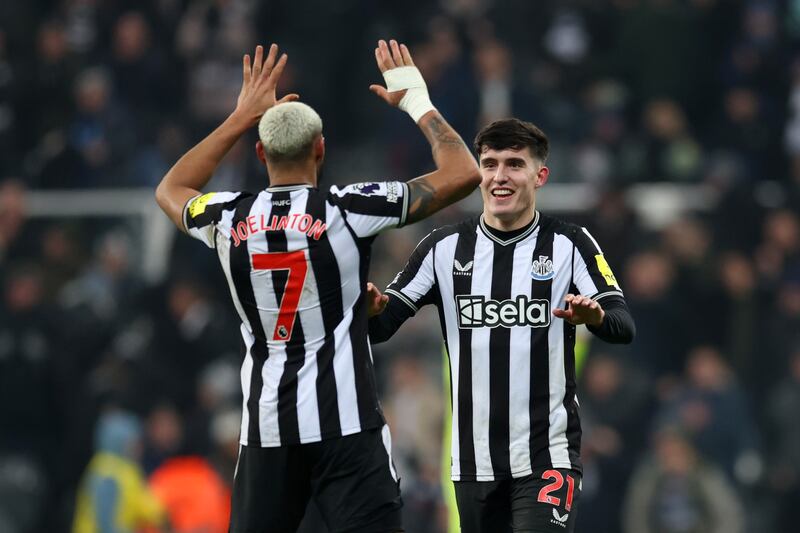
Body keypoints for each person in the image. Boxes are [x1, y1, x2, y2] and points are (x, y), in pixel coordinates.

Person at [154, 40, 481, 533]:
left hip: (267, 433)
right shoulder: (349, 209)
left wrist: (241, 117)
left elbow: (171, 189)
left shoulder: (226, 216)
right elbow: (464, 173)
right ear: (321, 149)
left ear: (261, 152)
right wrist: (417, 100)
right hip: (347, 428)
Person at [367, 118, 636, 532]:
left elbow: (622, 324)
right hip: (473, 464)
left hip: (548, 456)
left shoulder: (571, 244)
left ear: (539, 175)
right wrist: (368, 310)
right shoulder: (442, 249)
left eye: (514, 164)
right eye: (490, 164)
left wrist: (595, 317)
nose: (499, 176)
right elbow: (381, 327)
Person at [72, 410, 165, 533]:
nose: (139, 448)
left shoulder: (126, 470)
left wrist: (161, 513)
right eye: (134, 443)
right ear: (119, 442)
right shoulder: (108, 472)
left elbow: (141, 502)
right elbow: (104, 520)